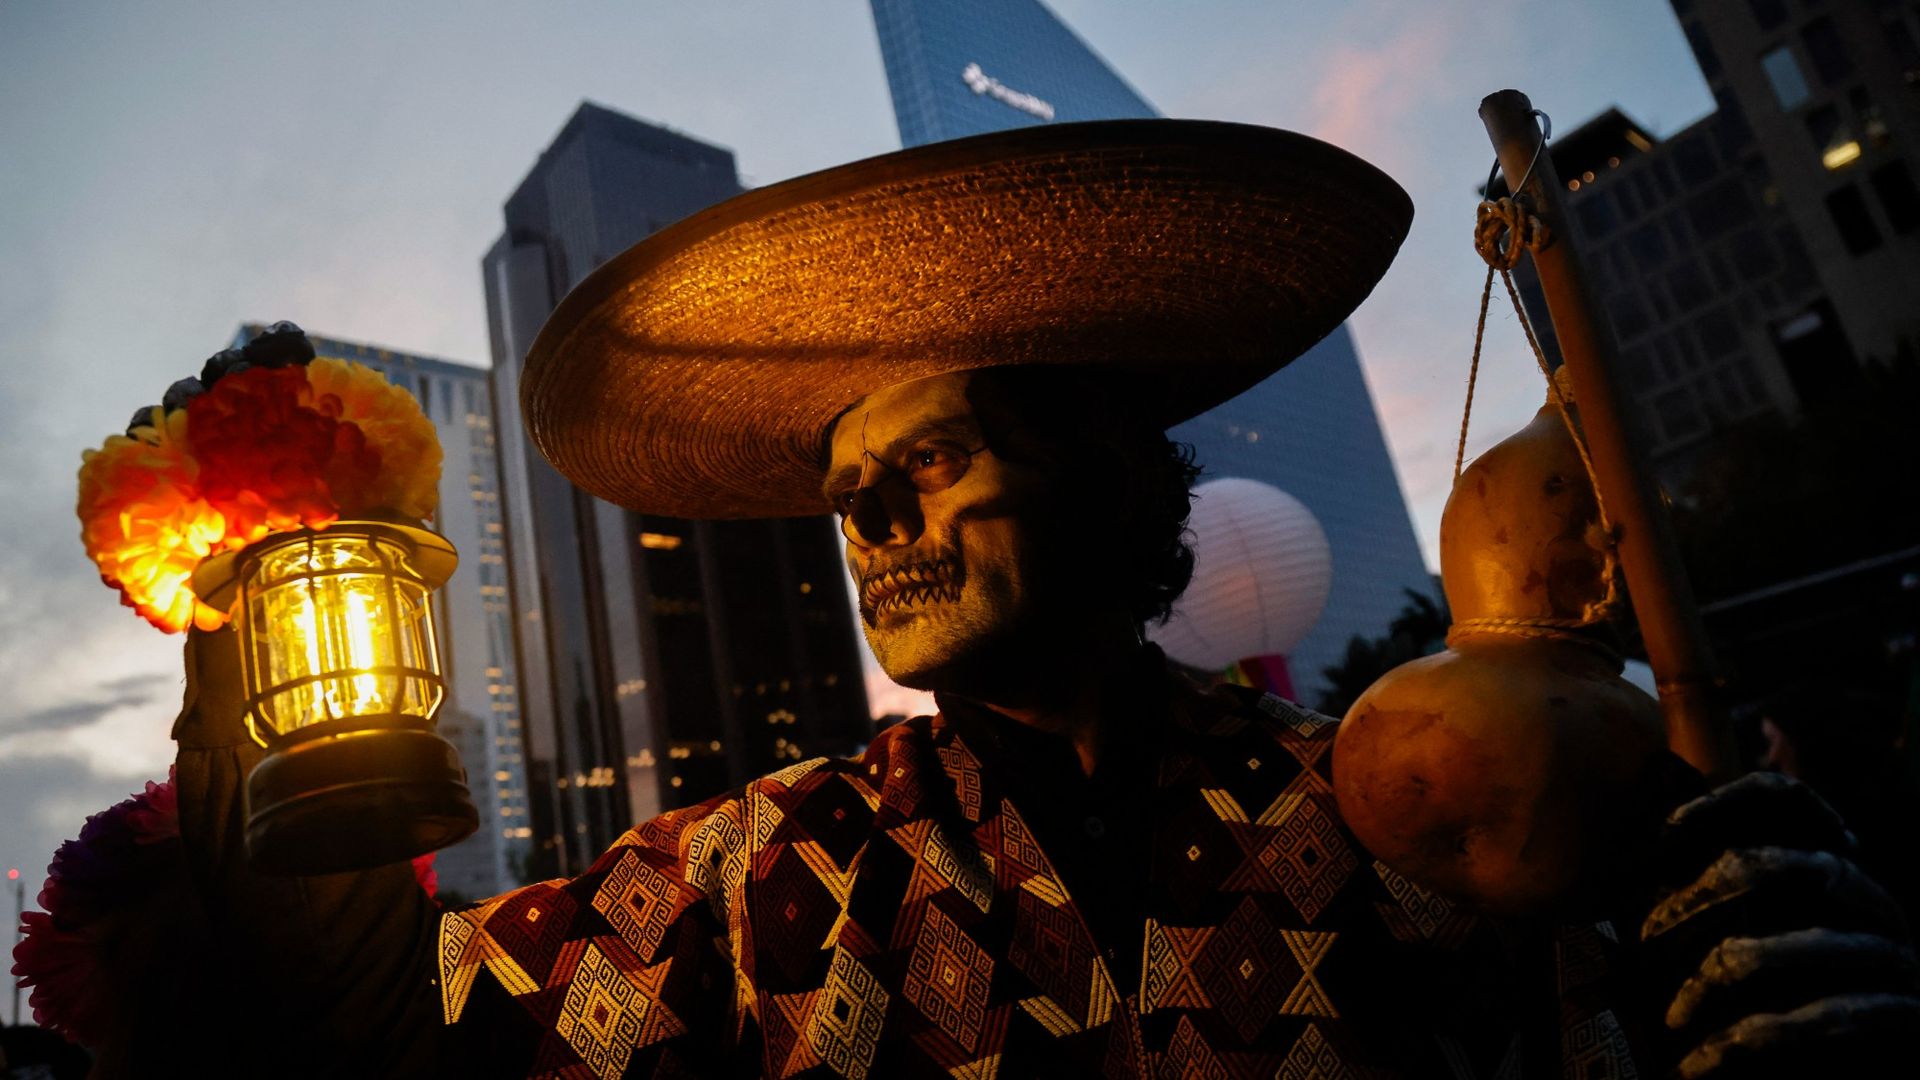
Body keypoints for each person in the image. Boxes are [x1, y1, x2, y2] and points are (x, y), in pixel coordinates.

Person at [171, 121, 1917, 1077]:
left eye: (920, 463)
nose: (860, 511)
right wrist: (241, 627)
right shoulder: (738, 879)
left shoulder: (1409, 808)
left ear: (1094, 465)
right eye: (840, 492)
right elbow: (378, 1032)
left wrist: (1765, 973)